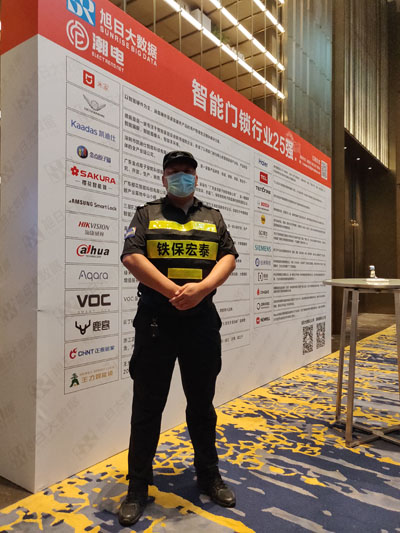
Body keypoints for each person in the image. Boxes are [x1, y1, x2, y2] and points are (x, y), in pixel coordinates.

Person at [118, 150, 238, 527]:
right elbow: (132, 257)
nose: (181, 177)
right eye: (174, 172)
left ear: (196, 178)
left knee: (202, 406)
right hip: (157, 322)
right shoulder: (147, 214)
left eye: (187, 172)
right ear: (163, 177)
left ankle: (209, 476)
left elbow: (229, 257)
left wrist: (201, 289)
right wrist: (175, 292)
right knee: (147, 407)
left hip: (201, 323)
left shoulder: (213, 217)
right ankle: (138, 486)